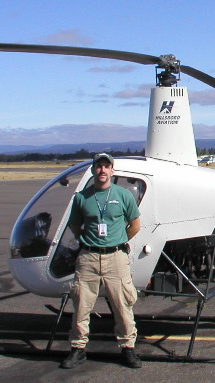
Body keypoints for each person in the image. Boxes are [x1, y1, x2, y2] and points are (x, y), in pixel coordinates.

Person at [60, 153, 142, 369]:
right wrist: (88, 242)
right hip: (88, 257)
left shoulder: (123, 195)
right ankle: (78, 349)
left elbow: (135, 224)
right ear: (94, 170)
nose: (102, 170)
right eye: (99, 166)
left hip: (116, 257)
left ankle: (128, 348)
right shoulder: (81, 198)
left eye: (107, 167)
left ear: (112, 171)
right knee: (81, 305)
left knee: (123, 304)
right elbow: (75, 226)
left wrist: (118, 240)